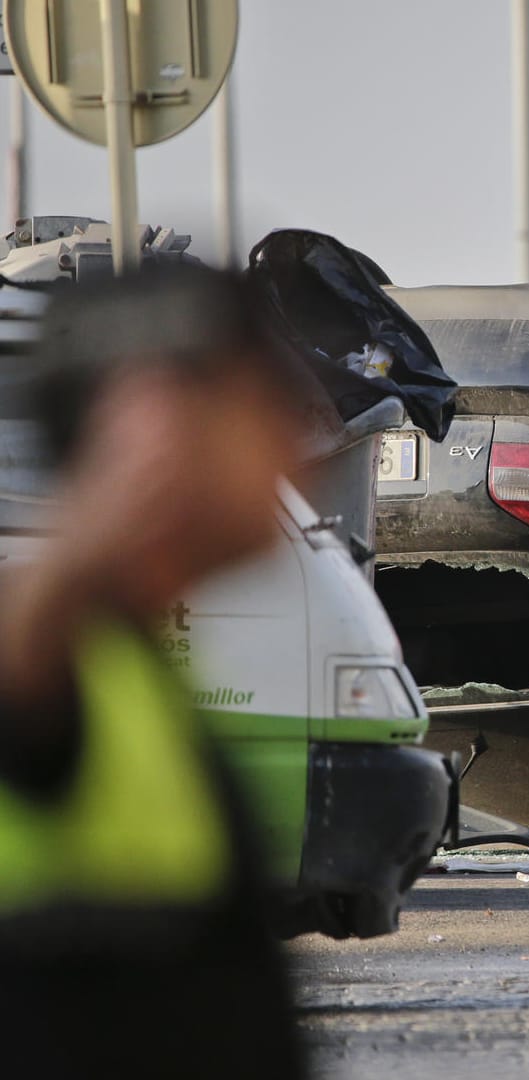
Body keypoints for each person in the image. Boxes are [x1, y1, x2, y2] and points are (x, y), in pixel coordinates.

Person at [0, 266, 309, 1078]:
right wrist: (77, 554)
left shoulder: (125, 668)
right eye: (264, 401)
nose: (294, 437)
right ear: (157, 426)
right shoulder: (52, 651)